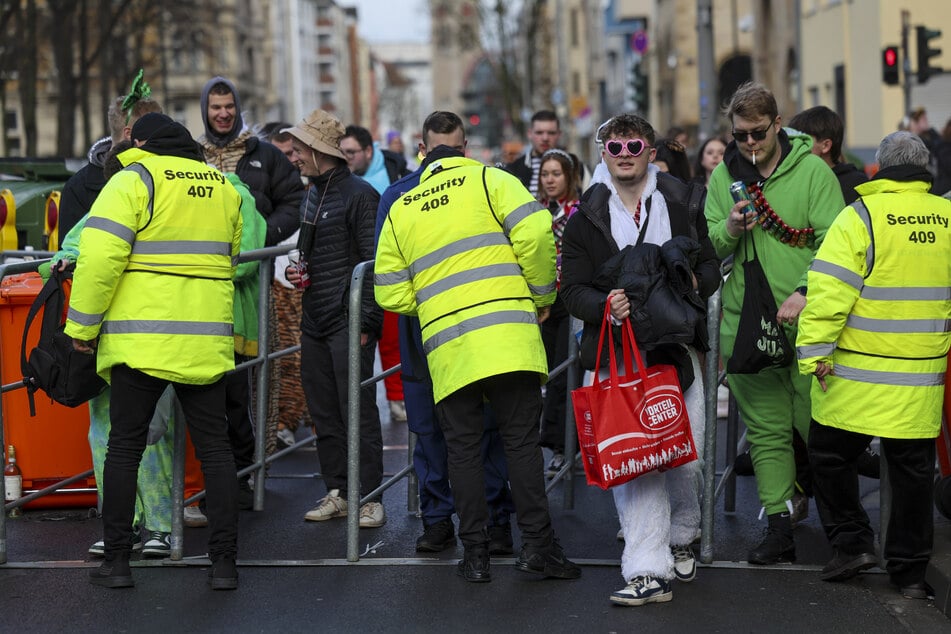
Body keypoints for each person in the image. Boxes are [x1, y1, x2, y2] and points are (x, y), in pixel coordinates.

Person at [375, 131, 581, 584]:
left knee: (462, 451)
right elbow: (536, 231)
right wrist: (541, 292)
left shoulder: (403, 205)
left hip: (450, 347)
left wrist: (431, 305)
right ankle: (539, 548)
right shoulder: (493, 181)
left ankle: (476, 555)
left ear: (425, 157)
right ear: (466, 153)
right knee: (521, 445)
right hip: (508, 336)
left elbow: (387, 288)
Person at [65, 112, 243, 590]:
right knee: (215, 451)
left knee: (123, 448)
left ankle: (118, 563)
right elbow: (232, 255)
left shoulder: (133, 180)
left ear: (140, 142)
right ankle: (224, 564)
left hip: (141, 340)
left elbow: (99, 257)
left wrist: (81, 328)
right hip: (204, 339)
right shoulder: (222, 186)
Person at [560, 113, 719, 606]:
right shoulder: (585, 215)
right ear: (602, 153)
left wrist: (694, 285)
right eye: (615, 147)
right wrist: (603, 305)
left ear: (651, 151)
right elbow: (572, 291)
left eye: (634, 147)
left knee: (682, 456)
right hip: (616, 351)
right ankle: (647, 569)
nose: (624, 155)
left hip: (677, 347)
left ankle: (684, 531)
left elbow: (710, 265)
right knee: (636, 461)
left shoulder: (682, 199)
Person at [797, 131, 951, 600]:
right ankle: (908, 575)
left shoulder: (859, 217)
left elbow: (828, 293)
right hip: (921, 378)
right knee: (913, 475)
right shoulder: (947, 216)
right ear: (924, 167)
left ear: (879, 167)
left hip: (855, 377)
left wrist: (813, 354)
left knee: (827, 455)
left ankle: (852, 543)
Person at [704, 82, 845, 565]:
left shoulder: (812, 173)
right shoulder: (725, 176)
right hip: (746, 324)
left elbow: (836, 242)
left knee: (820, 428)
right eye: (740, 134)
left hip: (808, 323)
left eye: (757, 133)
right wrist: (729, 230)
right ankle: (779, 526)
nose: (749, 143)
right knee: (765, 431)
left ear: (777, 124)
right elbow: (708, 244)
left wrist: (807, 291)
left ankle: (844, 532)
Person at [375, 111, 516, 554]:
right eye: (439, 151)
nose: (447, 159)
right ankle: (438, 519)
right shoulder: (398, 197)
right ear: (422, 150)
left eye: (454, 151)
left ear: (466, 149)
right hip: (425, 336)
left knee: (487, 430)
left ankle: (495, 520)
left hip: (475, 333)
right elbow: (388, 269)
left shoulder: (483, 185)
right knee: (429, 432)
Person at [198, 76, 304, 507]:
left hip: (250, 290)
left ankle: (245, 475)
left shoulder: (263, 155)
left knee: (245, 388)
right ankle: (212, 478)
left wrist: (261, 238)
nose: (222, 113)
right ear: (205, 110)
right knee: (209, 389)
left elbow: (294, 203)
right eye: (215, 106)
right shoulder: (192, 155)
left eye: (228, 106)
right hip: (204, 291)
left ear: (237, 108)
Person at [282, 110, 386, 528]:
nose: (293, 157)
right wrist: (296, 270)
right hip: (315, 318)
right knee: (324, 411)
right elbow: (310, 254)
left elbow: (374, 264)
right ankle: (339, 491)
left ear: (318, 151)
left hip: (348, 319)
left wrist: (366, 323)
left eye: (298, 149)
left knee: (358, 409)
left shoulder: (361, 194)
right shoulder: (312, 193)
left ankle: (371, 496)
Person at [340, 124, 411, 424]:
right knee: (359, 346)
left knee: (394, 342)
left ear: (369, 151)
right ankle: (359, 407)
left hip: (391, 269)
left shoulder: (397, 177)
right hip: (357, 274)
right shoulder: (342, 182)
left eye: (351, 153)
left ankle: (398, 400)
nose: (346, 159)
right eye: (341, 153)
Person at [58, 71, 161, 239]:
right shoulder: (80, 187)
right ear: (130, 134)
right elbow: (68, 252)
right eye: (156, 130)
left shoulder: (167, 175)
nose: (164, 137)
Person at [536, 148, 581, 478]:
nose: (550, 180)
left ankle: (567, 446)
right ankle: (554, 444)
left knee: (567, 375)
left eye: (556, 174)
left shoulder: (580, 211)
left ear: (569, 177)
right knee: (546, 375)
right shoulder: (533, 211)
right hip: (540, 301)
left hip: (570, 300)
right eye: (545, 174)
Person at [788, 106, 868, 204]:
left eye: (804, 141)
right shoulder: (794, 179)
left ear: (825, 145)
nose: (795, 146)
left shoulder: (856, 185)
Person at [504, 110, 589, 198]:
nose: (545, 138)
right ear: (529, 134)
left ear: (559, 134)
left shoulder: (577, 168)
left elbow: (589, 202)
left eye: (551, 133)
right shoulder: (513, 170)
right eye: (539, 133)